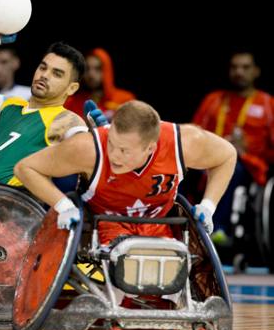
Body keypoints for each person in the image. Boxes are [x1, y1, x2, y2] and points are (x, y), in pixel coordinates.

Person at [15, 100, 237, 245]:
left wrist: (208, 206)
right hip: (104, 221)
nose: (115, 156)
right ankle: (86, 128)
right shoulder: (90, 149)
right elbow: (25, 167)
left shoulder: (186, 142)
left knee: (167, 275)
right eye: (112, 143)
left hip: (157, 221)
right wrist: (63, 205)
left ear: (151, 147)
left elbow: (227, 155)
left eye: (124, 150)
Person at [0, 30, 89, 187]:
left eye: (57, 74)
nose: (44, 75)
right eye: (43, 68)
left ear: (71, 88)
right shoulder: (11, 105)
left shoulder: (67, 119)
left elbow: (86, 158)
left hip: (12, 203)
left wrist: (101, 138)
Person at [192, 51, 274, 239]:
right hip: (207, 161)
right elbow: (193, 133)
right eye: (235, 67)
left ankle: (217, 228)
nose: (239, 72)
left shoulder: (268, 104)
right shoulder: (214, 100)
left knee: (233, 168)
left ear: (256, 71)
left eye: (245, 67)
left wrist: (247, 148)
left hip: (249, 166)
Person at [65, 48, 135, 121]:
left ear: (107, 70)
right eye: (87, 68)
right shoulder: (71, 102)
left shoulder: (125, 100)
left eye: (98, 69)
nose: (91, 74)